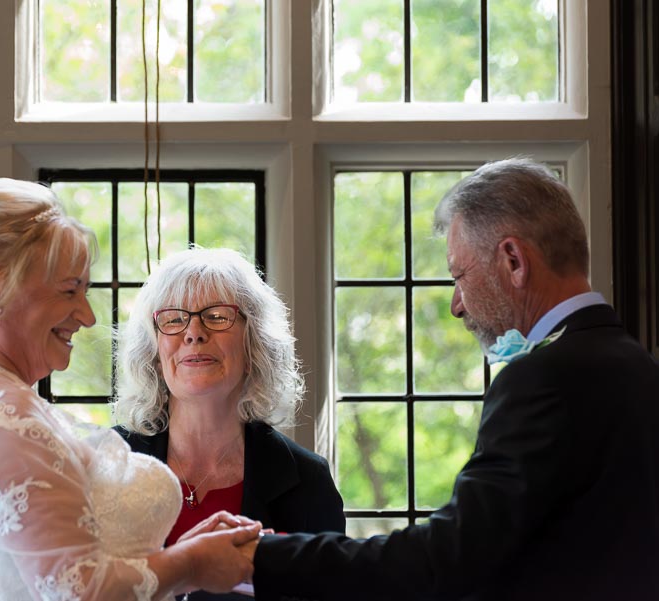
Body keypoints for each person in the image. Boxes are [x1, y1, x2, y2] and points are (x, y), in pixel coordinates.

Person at [244, 158, 659, 600]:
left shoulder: (544, 379)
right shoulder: (637, 366)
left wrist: (259, 556)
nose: (456, 305)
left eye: (459, 275)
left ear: (513, 260)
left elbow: (449, 559)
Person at [0, 179, 260, 601]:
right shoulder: (0, 416)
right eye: (70, 291)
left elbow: (44, 568)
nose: (89, 316)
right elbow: (79, 592)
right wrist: (192, 564)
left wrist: (177, 556)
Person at [113, 247, 345, 600]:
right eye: (174, 320)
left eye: (218, 316)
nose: (194, 332)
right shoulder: (109, 464)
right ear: (155, 354)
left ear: (254, 348)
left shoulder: (307, 482)